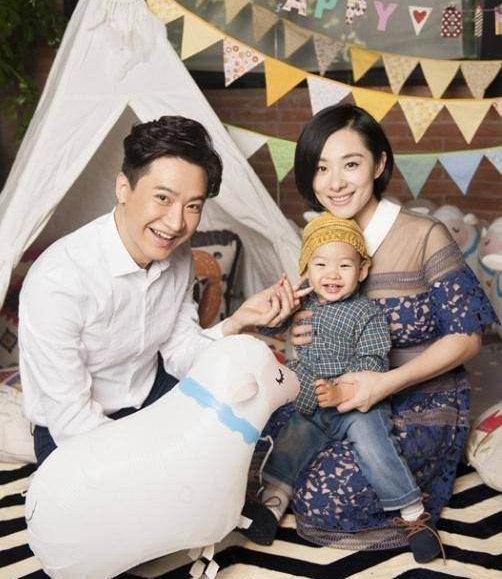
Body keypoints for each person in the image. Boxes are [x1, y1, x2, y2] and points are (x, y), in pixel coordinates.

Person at [252, 104, 497, 552]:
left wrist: (384, 383)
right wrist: (297, 330)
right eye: (321, 168)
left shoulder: (425, 235)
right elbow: (312, 323)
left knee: (327, 494)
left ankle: (414, 518)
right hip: (332, 397)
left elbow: (468, 337)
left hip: (417, 398)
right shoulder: (323, 238)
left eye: (350, 164)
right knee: (260, 450)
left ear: (379, 164)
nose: (335, 182)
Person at [19, 116, 297, 466]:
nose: (177, 223)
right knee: (154, 489)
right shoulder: (58, 280)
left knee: (260, 415)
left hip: (154, 397)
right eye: (163, 198)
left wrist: (237, 322)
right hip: (72, 430)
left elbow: (181, 352)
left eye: (193, 206)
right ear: (123, 188)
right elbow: (72, 422)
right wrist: (156, 459)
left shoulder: (178, 257)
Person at [243, 213, 443, 563]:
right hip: (311, 400)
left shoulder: (366, 313)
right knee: (290, 441)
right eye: (320, 264)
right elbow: (272, 329)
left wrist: (341, 391)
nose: (332, 274)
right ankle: (273, 502)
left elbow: (375, 361)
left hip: (356, 402)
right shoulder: (303, 303)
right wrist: (277, 308)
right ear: (306, 269)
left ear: (362, 271)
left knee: (376, 444)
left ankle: (413, 516)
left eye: (344, 266)